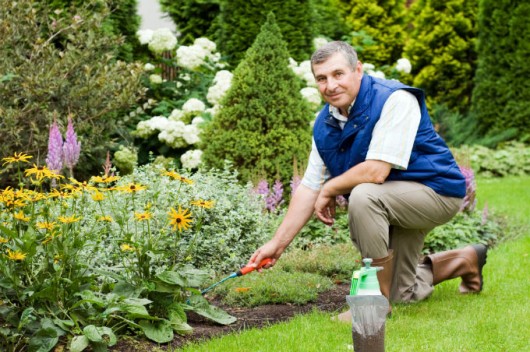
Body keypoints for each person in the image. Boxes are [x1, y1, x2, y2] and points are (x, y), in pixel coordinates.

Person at [247, 41, 487, 321]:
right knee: (402, 292)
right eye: (321, 78)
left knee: (363, 196)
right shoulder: (325, 123)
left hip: (436, 193)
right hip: (393, 200)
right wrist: (277, 244)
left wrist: (331, 188)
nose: (330, 85)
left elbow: (376, 172)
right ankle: (465, 260)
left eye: (338, 74)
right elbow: (310, 187)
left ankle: (373, 303)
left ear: (358, 70)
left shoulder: (395, 99)